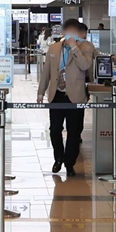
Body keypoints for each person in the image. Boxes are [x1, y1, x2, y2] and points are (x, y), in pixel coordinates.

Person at [37, 19, 94, 176]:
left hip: (76, 95)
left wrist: (74, 47)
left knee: (74, 131)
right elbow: (46, 72)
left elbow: (85, 66)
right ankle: (58, 158)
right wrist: (41, 92)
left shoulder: (86, 47)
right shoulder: (54, 48)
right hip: (57, 94)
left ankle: (70, 162)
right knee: (55, 129)